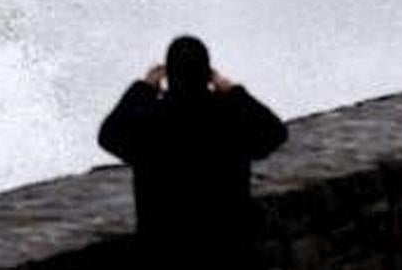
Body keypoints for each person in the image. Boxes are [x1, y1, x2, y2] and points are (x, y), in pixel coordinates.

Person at [97, 35, 288, 269]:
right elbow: (275, 132)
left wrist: (143, 88)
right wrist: (234, 92)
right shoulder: (230, 118)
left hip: (166, 252)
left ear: (168, 76)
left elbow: (108, 135)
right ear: (208, 75)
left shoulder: (150, 122)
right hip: (226, 251)